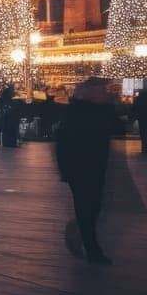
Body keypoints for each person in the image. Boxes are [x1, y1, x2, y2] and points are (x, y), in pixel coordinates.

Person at [56, 78, 120, 264]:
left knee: (95, 206)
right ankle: (92, 249)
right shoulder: (75, 111)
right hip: (80, 166)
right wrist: (65, 169)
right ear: (90, 92)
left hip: (97, 164)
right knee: (87, 206)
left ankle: (80, 232)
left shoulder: (100, 110)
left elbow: (117, 127)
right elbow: (63, 141)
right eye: (101, 89)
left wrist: (109, 105)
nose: (104, 91)